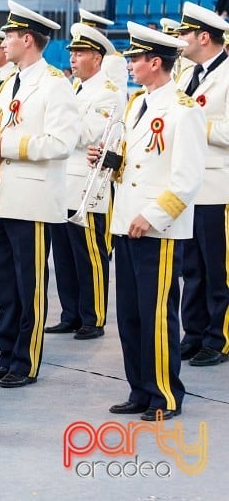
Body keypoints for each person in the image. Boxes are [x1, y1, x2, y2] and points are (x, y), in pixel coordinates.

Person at [93, 22, 205, 420]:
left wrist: (154, 215)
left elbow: (188, 176)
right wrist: (110, 161)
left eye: (135, 58)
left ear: (155, 62)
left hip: (156, 227)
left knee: (156, 314)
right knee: (130, 314)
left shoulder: (183, 109)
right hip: (126, 221)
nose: (129, 64)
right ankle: (139, 388)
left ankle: (165, 394)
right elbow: (137, 163)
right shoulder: (137, 102)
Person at [0, 0, 80, 388]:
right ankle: (6, 354)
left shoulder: (55, 84)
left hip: (33, 202)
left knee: (29, 286)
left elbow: (61, 142)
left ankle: (26, 359)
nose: (2, 42)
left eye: (8, 35)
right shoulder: (7, 84)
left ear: (26, 39)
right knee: (5, 285)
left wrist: (7, 146)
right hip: (2, 196)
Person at [46, 23, 126, 340]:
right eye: (73, 52)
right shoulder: (75, 90)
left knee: (89, 254)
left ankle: (93, 317)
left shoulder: (108, 94)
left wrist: (58, 125)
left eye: (80, 53)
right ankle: (71, 313)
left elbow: (84, 134)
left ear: (97, 56)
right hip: (62, 182)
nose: (73, 58)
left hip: (87, 187)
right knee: (64, 255)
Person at [173, 2, 229, 366]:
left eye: (184, 34)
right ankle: (193, 333)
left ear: (204, 37)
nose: (179, 40)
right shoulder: (185, 76)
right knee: (190, 268)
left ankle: (218, 337)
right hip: (188, 189)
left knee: (217, 268)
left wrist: (196, 127)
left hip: (216, 186)